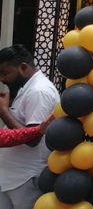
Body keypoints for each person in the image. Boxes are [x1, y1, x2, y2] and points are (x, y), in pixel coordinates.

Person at [0, 44, 60, 209]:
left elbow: (33, 139)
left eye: (5, 73)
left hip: (26, 178)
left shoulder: (39, 91)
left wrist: (4, 112)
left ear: (24, 67)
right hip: (12, 177)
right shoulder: (27, 88)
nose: (2, 79)